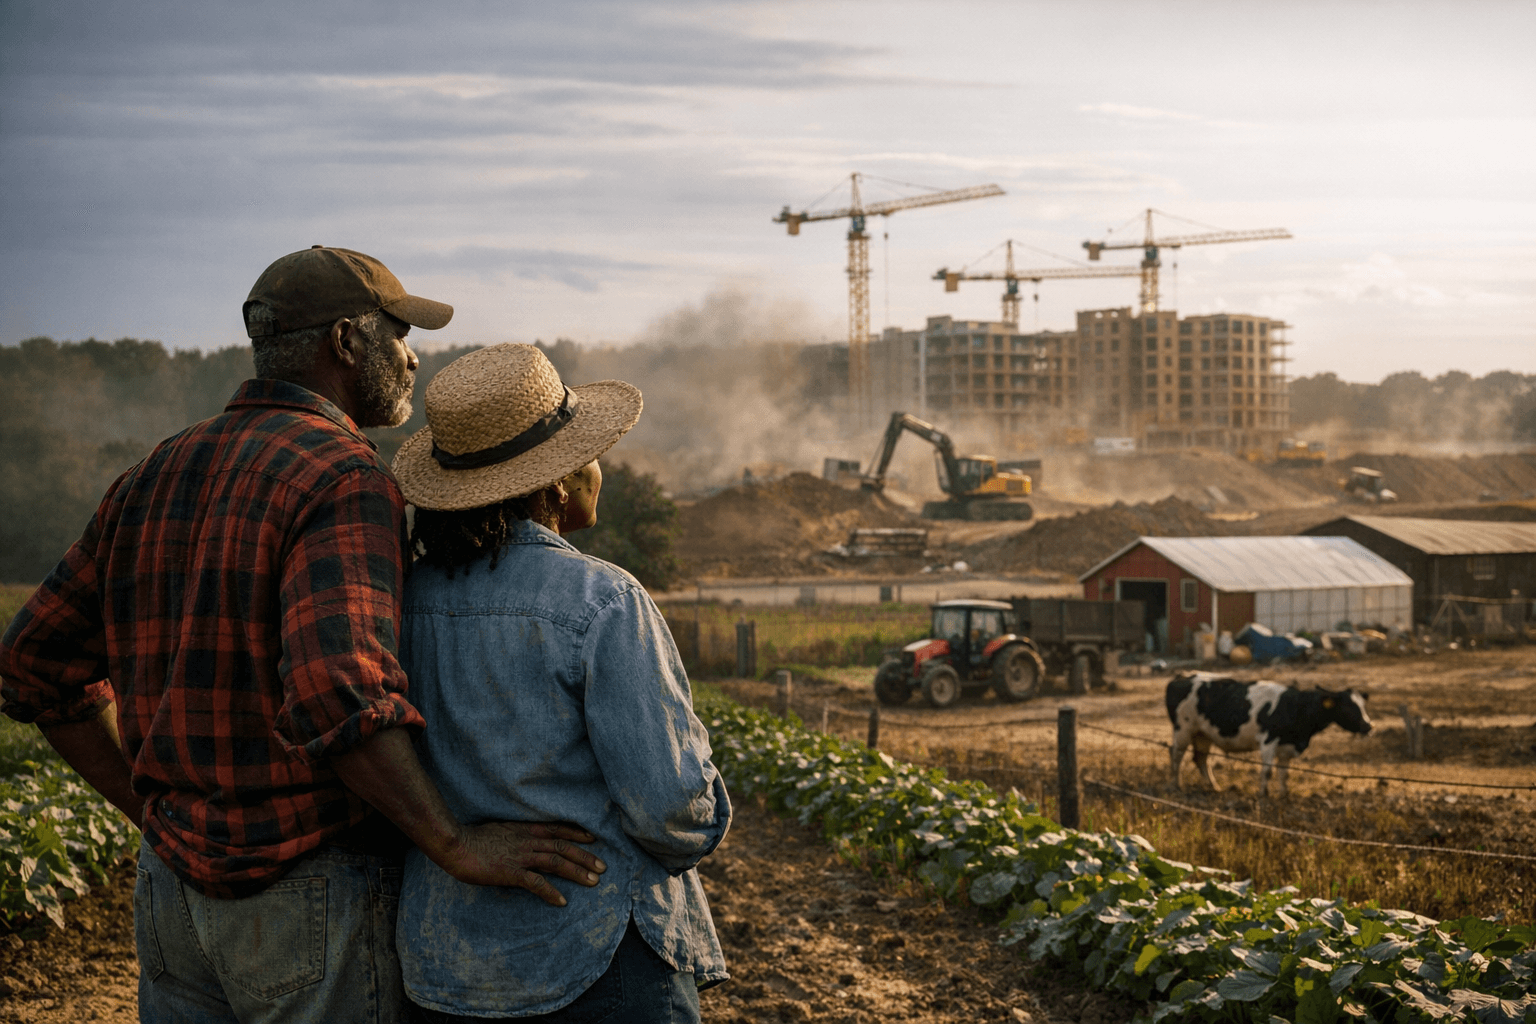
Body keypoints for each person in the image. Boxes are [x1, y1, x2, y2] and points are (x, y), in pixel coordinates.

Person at [0, 248, 605, 1024]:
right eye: (399, 334)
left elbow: (32, 662)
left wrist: (148, 811)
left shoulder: (154, 470)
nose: (412, 356)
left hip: (170, 895)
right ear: (347, 341)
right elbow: (338, 693)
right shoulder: (343, 476)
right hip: (303, 893)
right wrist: (453, 842)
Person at [390, 344, 731, 1023]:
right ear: (558, 482)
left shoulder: (399, 600)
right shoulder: (601, 600)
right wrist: (708, 815)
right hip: (595, 958)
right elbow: (670, 811)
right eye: (590, 452)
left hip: (448, 969)